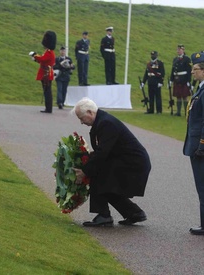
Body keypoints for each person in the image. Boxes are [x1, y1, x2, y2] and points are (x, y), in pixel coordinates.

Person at [72, 97, 151, 227]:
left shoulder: (106, 123)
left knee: (99, 175)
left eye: (81, 118)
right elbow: (102, 151)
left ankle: (103, 215)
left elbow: (102, 152)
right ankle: (134, 213)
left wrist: (85, 171)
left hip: (133, 164)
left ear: (90, 112)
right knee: (109, 185)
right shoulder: (101, 122)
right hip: (126, 160)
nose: (81, 122)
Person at [183, 52, 204, 235]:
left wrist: (202, 145)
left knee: (202, 186)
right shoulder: (200, 89)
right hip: (197, 144)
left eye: (196, 69)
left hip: (200, 147)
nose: (192, 72)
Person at [29, 30, 56, 113]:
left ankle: (48, 108)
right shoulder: (48, 52)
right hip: (46, 73)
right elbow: (43, 61)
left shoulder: (49, 52)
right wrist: (35, 59)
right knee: (46, 91)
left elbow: (42, 59)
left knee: (47, 91)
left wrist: (35, 54)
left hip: (46, 74)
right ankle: (48, 108)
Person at [170, 44, 192, 116]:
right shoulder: (175, 59)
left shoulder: (187, 59)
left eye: (180, 50)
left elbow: (189, 71)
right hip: (177, 79)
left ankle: (186, 111)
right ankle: (178, 112)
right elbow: (173, 70)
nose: (178, 51)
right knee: (178, 96)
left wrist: (189, 81)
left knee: (185, 96)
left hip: (184, 80)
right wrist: (171, 80)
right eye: (178, 50)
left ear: (183, 50)